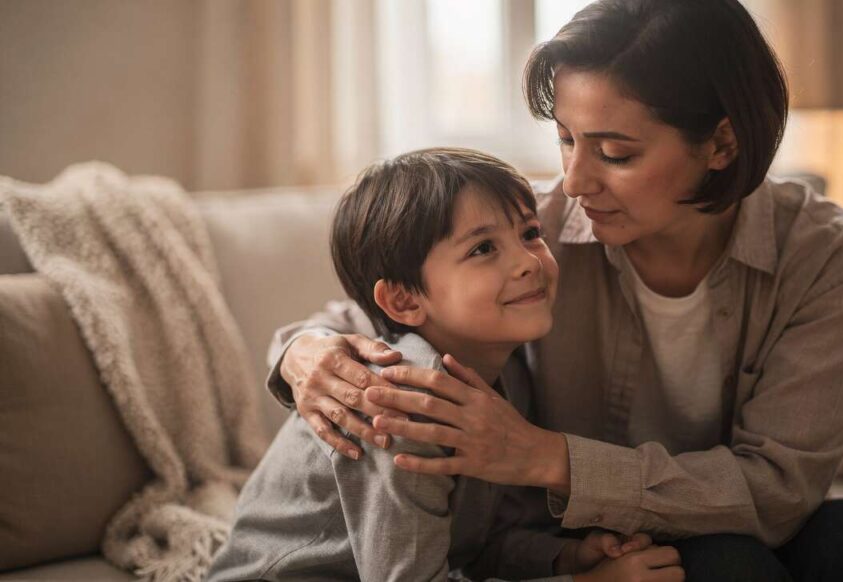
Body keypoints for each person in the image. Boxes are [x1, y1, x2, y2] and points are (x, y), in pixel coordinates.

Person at [267, 1, 843, 580]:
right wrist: (304, 354)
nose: (575, 181)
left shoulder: (831, 258)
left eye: (616, 153)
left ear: (722, 144)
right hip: (595, 533)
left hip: (717, 512)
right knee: (726, 568)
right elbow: (379, 319)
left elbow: (777, 491)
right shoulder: (535, 230)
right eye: (566, 140)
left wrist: (544, 457)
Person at [207, 147, 682, 582]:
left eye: (530, 234)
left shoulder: (502, 371)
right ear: (403, 300)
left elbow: (471, 547)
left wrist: (563, 558)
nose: (528, 262)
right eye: (483, 249)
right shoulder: (404, 403)